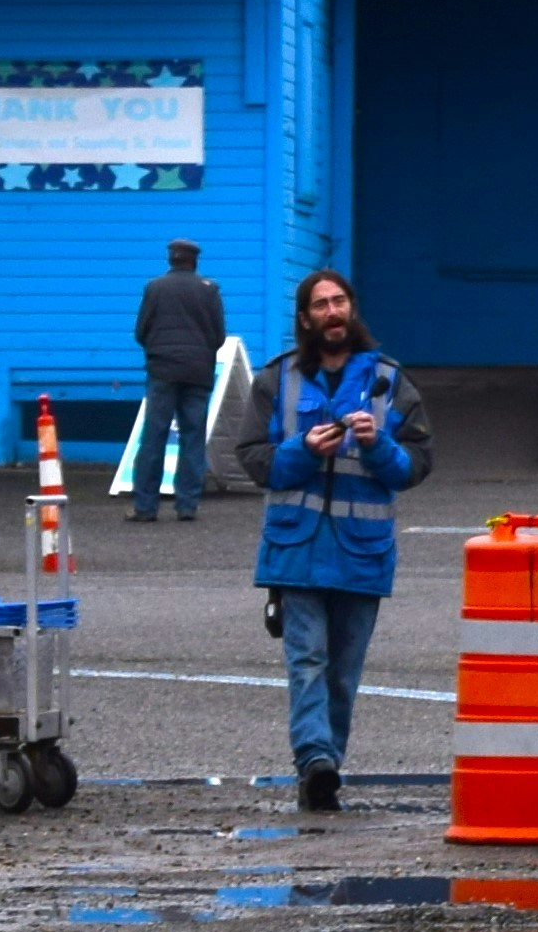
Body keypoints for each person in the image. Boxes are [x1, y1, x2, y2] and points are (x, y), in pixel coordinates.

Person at [245, 271, 432, 813]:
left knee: (343, 674)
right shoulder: (276, 380)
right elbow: (254, 461)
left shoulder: (390, 381)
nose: (332, 311)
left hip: (361, 551)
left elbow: (416, 465)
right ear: (305, 318)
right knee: (307, 661)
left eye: (340, 301)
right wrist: (301, 450)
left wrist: (378, 448)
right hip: (296, 551)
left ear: (351, 310)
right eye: (321, 304)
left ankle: (326, 768)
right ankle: (315, 762)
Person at [131, 238, 226, 522]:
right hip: (197, 371)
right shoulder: (209, 289)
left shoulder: (154, 287)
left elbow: (141, 331)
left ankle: (145, 506)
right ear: (194, 261)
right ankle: (187, 505)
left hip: (162, 370)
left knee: (154, 435)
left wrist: (158, 351)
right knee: (193, 436)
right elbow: (218, 335)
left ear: (170, 260)